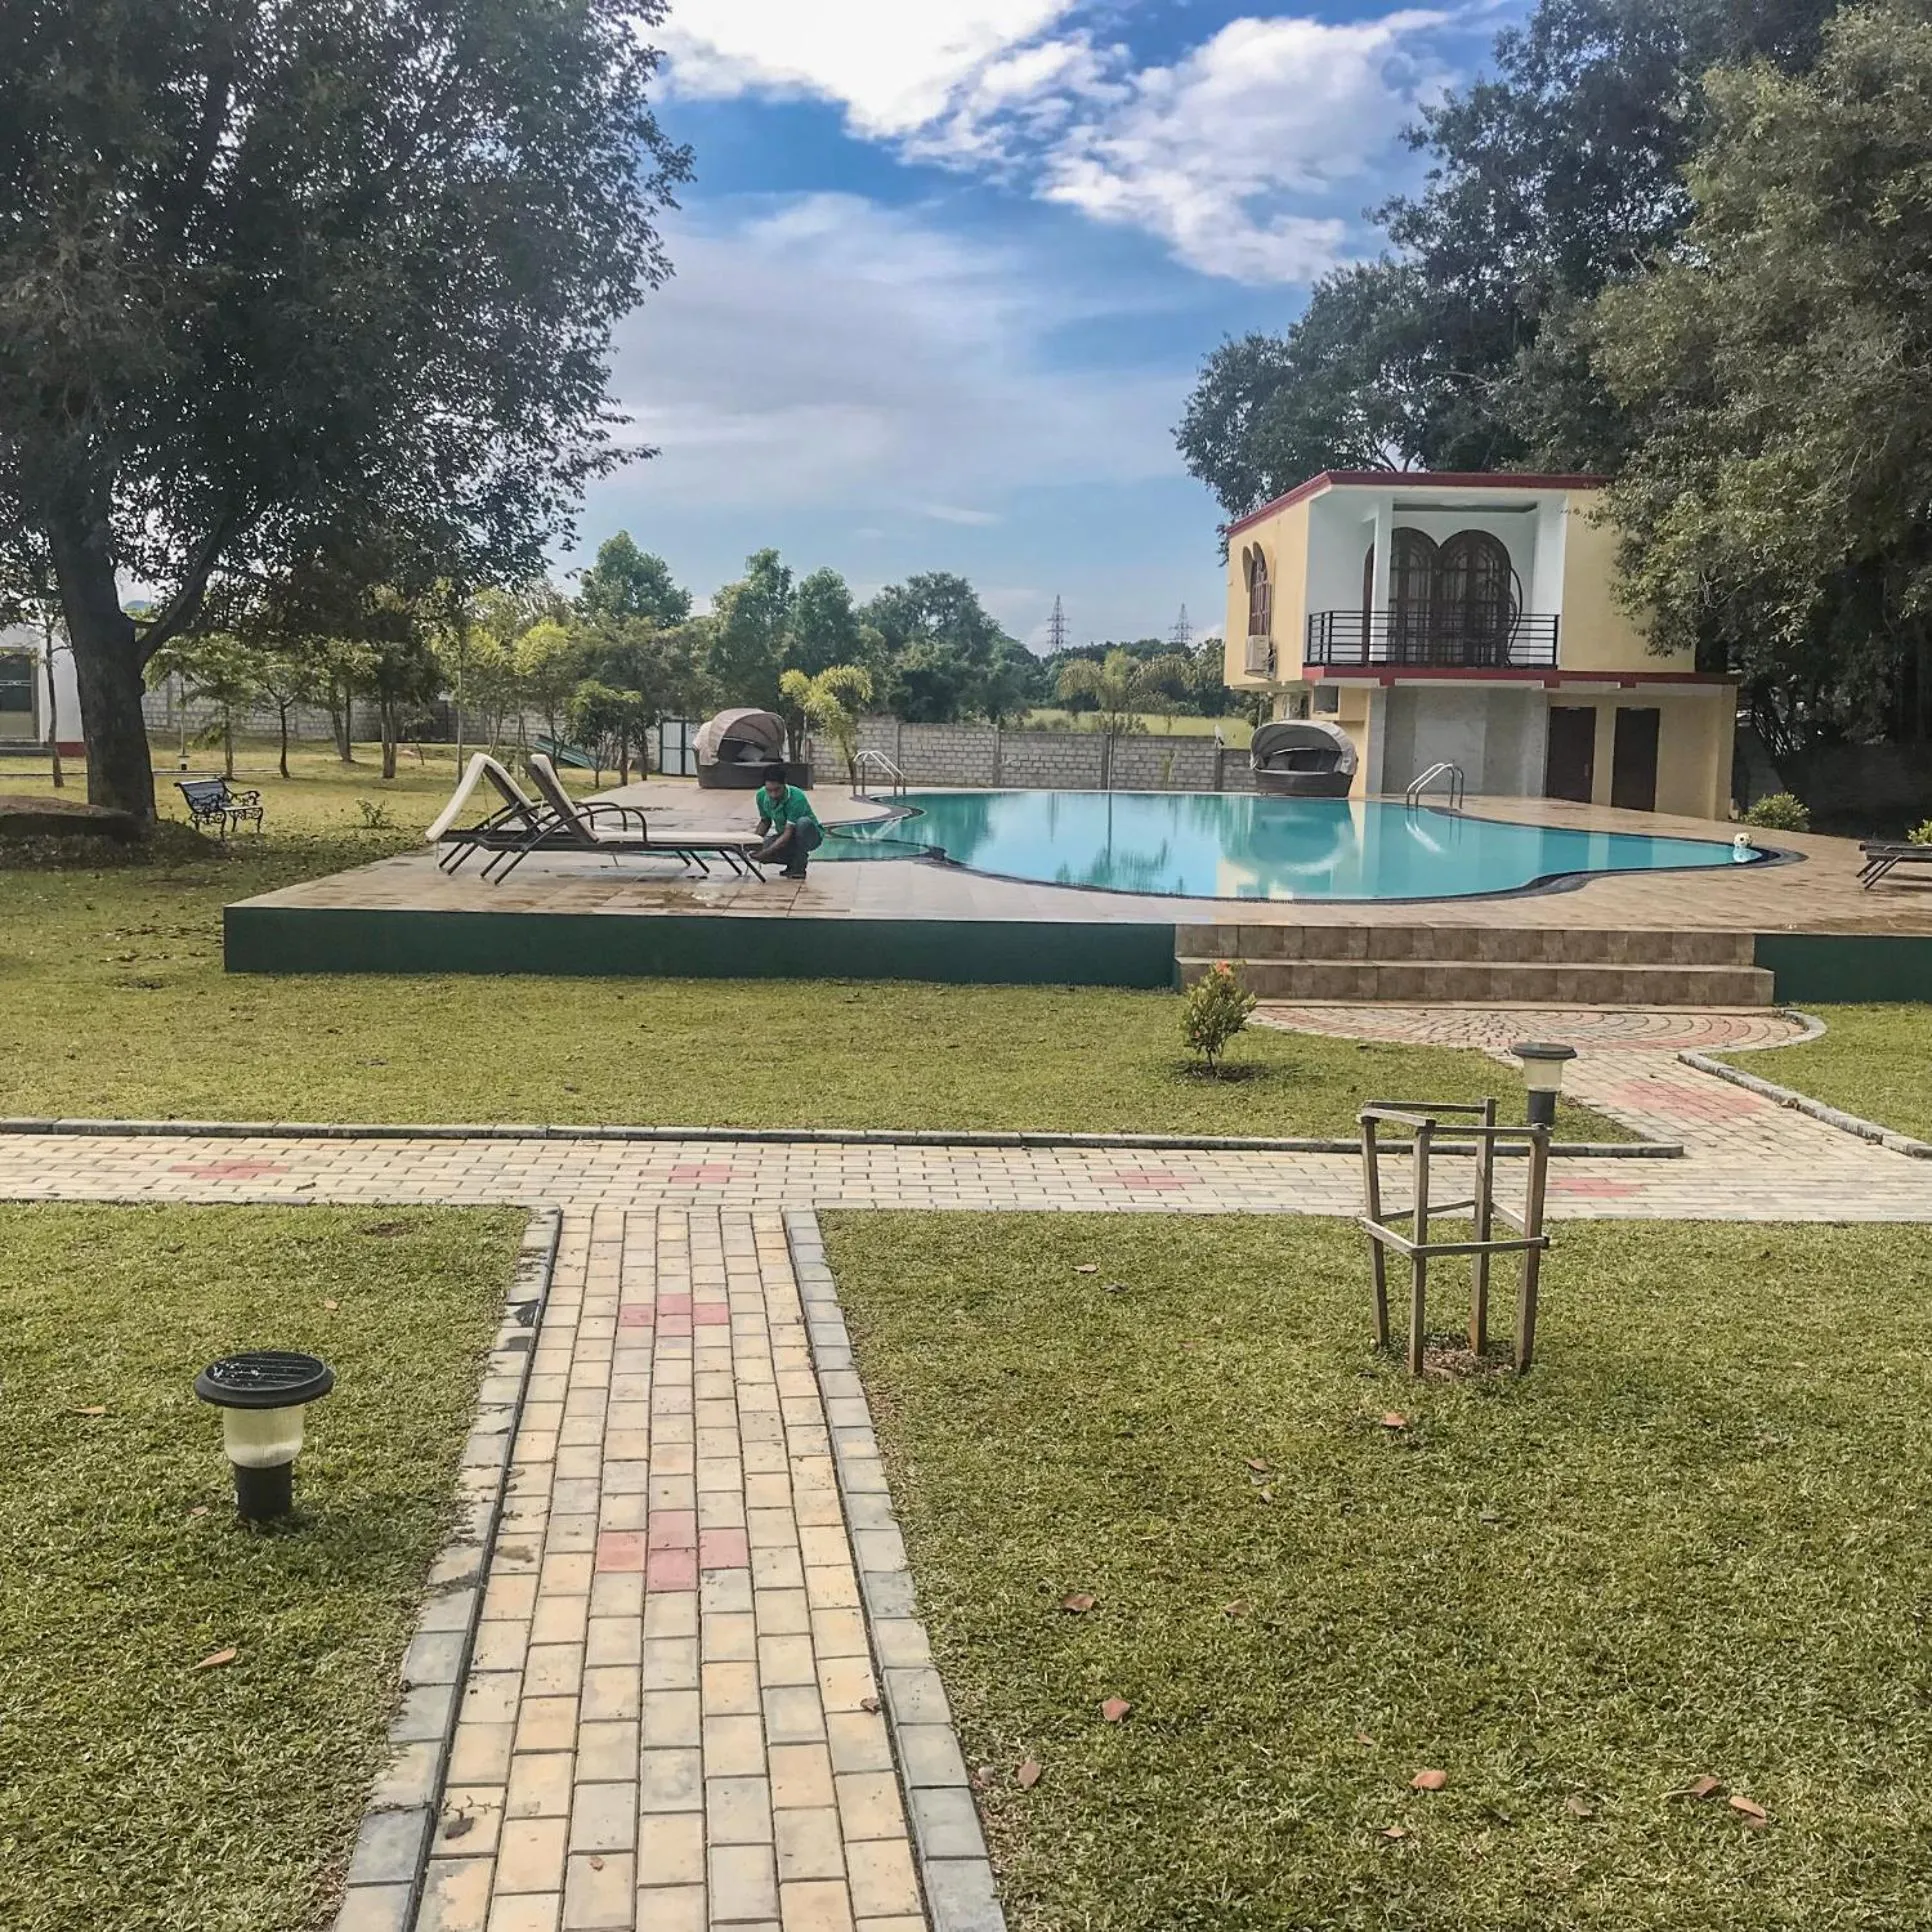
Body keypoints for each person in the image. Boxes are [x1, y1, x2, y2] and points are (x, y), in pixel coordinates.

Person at [753, 766, 823, 878]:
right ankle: (792, 862)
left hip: (808, 835)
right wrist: (753, 842)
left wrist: (767, 852)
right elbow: (765, 821)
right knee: (761, 848)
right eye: (769, 790)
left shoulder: (797, 797)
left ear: (785, 784)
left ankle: (799, 866)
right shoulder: (761, 795)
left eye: (777, 790)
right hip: (786, 836)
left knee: (802, 824)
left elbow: (788, 833)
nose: (773, 795)